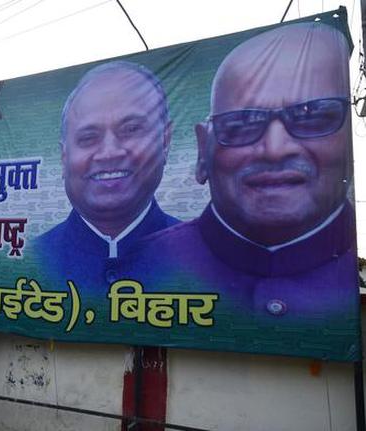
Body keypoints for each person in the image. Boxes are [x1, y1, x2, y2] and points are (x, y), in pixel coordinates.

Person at [142, 22, 357, 323]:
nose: (275, 149)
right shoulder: (142, 264)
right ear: (204, 150)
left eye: (313, 116)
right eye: (243, 123)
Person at [35, 61, 179, 293]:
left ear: (165, 140)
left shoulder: (210, 261)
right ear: (64, 157)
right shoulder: (34, 256)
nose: (110, 152)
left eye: (131, 129)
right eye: (88, 137)